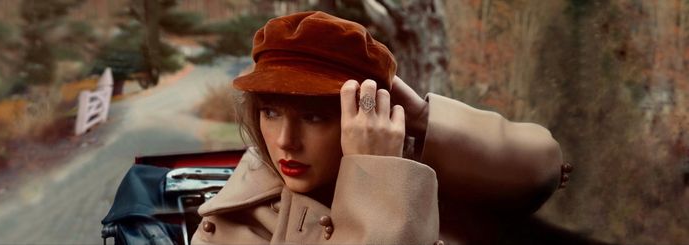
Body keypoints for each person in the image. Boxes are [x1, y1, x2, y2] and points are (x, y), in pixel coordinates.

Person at [192, 11, 564, 245]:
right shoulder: (236, 224)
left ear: (362, 115)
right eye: (271, 113)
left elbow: (540, 172)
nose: (286, 142)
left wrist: (420, 117)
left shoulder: (408, 165)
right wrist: (378, 184)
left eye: (314, 117)